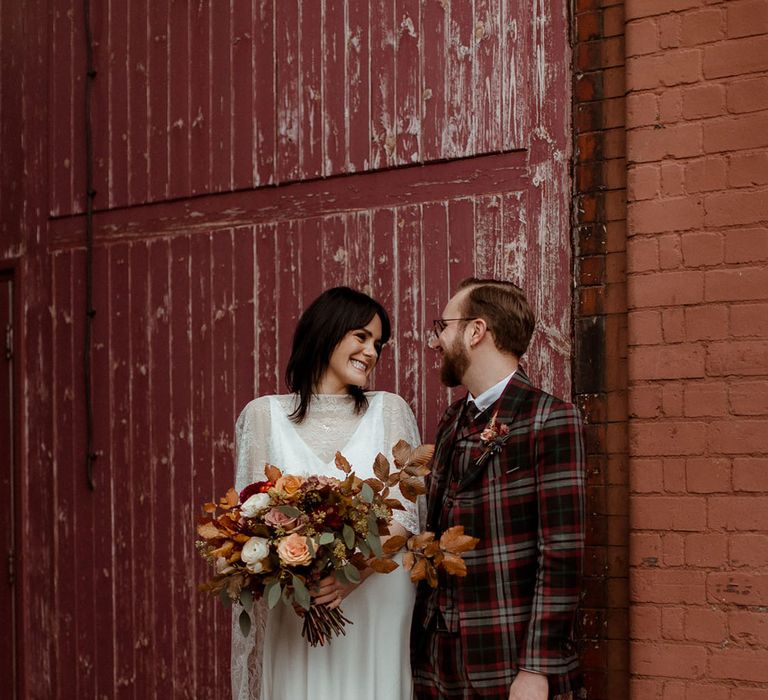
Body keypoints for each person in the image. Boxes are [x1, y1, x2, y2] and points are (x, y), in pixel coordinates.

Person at [231, 286, 421, 700]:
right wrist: (297, 573)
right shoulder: (262, 415)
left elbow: (405, 519)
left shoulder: (389, 409)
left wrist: (348, 577)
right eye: (361, 336)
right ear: (327, 332)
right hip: (299, 603)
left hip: (375, 596)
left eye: (378, 344)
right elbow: (250, 520)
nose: (371, 352)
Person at [411, 278, 586, 700]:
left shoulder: (550, 418)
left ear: (476, 331)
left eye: (444, 326)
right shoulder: (452, 420)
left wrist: (536, 669)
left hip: (507, 662)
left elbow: (562, 554)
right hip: (436, 662)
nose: (435, 341)